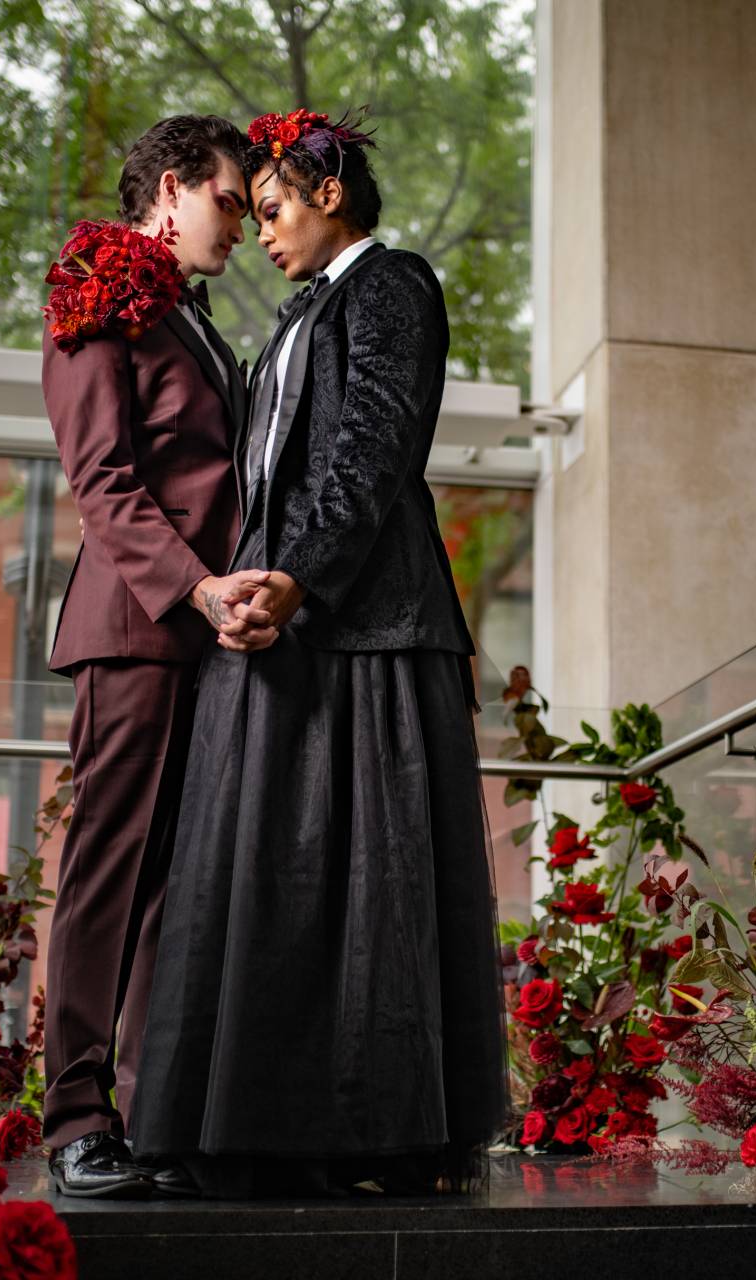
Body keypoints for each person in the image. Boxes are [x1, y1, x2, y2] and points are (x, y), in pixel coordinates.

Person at [129, 108, 507, 1197]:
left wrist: (296, 579)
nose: (262, 229)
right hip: (285, 620)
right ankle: (249, 1127)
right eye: (249, 210)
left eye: (274, 206)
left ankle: (368, 1136)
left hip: (367, 629)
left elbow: (374, 447)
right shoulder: (298, 315)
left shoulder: (392, 286)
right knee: (273, 883)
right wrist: (250, 587)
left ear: (327, 192)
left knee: (366, 888)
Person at [39, 114, 275, 1199]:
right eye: (233, 198)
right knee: (108, 874)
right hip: (134, 631)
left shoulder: (189, 317)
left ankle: (145, 1116)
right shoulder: (98, 286)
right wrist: (191, 584)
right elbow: (103, 480)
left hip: (206, 641)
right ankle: (77, 1119)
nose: (245, 221)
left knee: (172, 885)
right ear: (171, 189)